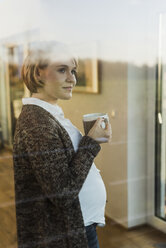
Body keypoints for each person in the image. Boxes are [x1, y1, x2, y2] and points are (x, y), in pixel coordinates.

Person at [13, 41, 112, 248]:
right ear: (38, 73)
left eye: (73, 71)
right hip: (68, 234)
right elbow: (63, 193)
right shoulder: (37, 124)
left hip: (78, 226)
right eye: (62, 70)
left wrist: (91, 141)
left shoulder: (49, 115)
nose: (72, 78)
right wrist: (91, 142)